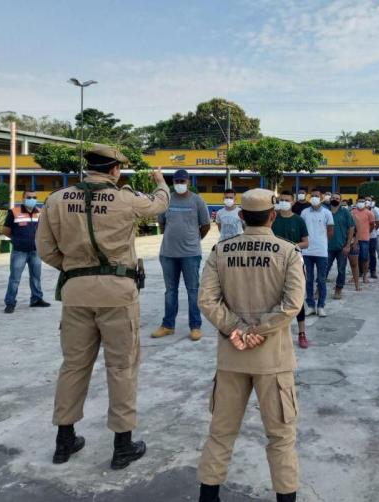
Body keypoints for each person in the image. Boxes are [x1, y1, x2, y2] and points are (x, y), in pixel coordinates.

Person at [36, 146, 170, 469]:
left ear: (89, 168)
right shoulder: (125, 198)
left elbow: (44, 248)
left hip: (76, 293)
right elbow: (159, 204)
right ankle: (122, 445)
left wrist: (75, 271)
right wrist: (161, 181)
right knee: (121, 367)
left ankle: (64, 440)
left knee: (73, 366)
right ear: (114, 171)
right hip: (118, 295)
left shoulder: (57, 200)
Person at [196, 188, 305, 502]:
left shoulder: (221, 250)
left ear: (241, 216)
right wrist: (259, 330)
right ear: (273, 215)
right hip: (273, 360)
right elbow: (292, 304)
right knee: (281, 437)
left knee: (221, 434)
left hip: (232, 357)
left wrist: (238, 329)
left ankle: (209, 496)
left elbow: (207, 300)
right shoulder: (287, 252)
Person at [152, 169, 211, 341]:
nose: (179, 184)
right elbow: (162, 224)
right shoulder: (167, 199)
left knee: (193, 291)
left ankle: (195, 326)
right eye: (177, 181)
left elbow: (205, 225)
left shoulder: (197, 201)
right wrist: (173, 236)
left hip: (190, 254)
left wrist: (193, 239)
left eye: (182, 181)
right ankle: (168, 325)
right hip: (168, 253)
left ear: (188, 182)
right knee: (170, 291)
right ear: (173, 182)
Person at [272, 191, 310, 349]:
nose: (283, 202)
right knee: (275, 298)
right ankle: (276, 332)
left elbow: (306, 243)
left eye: (287, 200)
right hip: (274, 264)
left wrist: (292, 246)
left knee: (297, 298)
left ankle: (302, 333)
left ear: (293, 202)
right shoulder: (272, 219)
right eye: (281, 200)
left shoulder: (299, 220)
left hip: (294, 263)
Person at [2, 190, 49, 313]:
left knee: (36, 277)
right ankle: (10, 303)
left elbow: (44, 230)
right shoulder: (14, 212)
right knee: (15, 278)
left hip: (35, 251)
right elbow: (6, 231)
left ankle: (36, 299)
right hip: (19, 251)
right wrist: (17, 240)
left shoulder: (40, 212)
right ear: (23, 198)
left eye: (34, 197)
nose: (32, 199)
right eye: (29, 197)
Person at [300, 189, 334, 317]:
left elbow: (330, 231)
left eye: (317, 196)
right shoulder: (304, 212)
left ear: (321, 198)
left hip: (321, 252)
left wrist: (322, 242)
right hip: (306, 251)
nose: (314, 198)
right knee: (308, 279)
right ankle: (310, 306)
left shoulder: (327, 213)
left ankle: (321, 306)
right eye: (312, 196)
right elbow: (301, 230)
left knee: (321, 280)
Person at [327, 192, 355, 300]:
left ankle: (338, 289)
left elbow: (351, 228)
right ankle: (319, 290)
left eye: (337, 198)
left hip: (341, 247)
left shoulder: (345, 212)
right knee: (324, 269)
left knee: (341, 270)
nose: (335, 199)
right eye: (333, 198)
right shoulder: (325, 211)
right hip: (327, 247)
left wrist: (348, 245)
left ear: (340, 200)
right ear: (330, 200)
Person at [351, 197, 375, 284]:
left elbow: (372, 225)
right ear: (356, 202)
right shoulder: (352, 212)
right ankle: (354, 276)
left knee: (364, 258)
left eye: (362, 201)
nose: (360, 203)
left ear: (365, 203)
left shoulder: (369, 213)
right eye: (359, 201)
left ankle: (365, 276)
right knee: (354, 259)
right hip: (354, 239)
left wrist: (368, 232)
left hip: (364, 238)